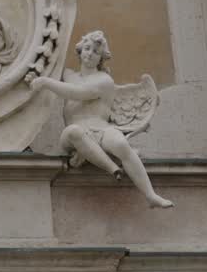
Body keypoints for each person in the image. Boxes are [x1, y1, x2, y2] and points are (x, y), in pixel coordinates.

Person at [30, 31, 174, 208]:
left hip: (101, 128)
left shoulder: (104, 80)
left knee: (120, 144)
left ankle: (151, 195)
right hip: (74, 132)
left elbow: (78, 93)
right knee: (75, 132)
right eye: (87, 48)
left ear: (101, 59)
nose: (90, 54)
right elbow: (50, 68)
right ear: (80, 50)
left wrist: (45, 82)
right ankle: (113, 168)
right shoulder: (68, 75)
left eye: (96, 52)